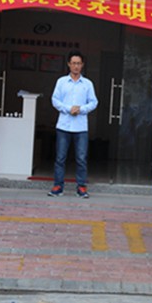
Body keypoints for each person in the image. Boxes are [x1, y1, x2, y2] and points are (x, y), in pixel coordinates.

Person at [48, 50, 98, 199]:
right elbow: (55, 100)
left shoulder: (87, 84)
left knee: (81, 159)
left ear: (82, 65)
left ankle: (81, 187)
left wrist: (81, 109)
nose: (76, 66)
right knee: (60, 158)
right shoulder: (61, 82)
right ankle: (58, 186)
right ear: (69, 64)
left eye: (79, 63)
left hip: (81, 127)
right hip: (63, 125)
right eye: (73, 63)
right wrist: (68, 109)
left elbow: (94, 102)